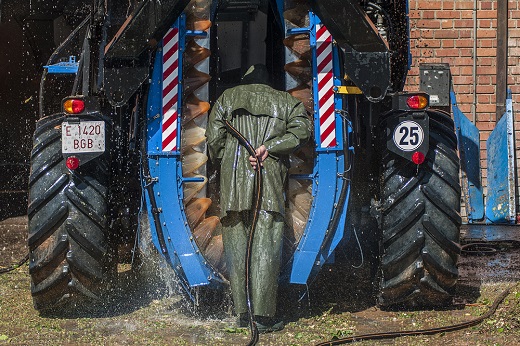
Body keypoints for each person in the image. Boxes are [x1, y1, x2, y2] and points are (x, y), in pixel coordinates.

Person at [206, 64, 311, 333]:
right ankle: (262, 316)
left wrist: (227, 161)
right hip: (269, 174)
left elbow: (214, 140)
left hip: (233, 176)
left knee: (236, 239)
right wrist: (272, 148)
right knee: (266, 237)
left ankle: (243, 313)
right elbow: (302, 132)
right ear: (269, 82)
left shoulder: (226, 99)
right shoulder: (286, 101)